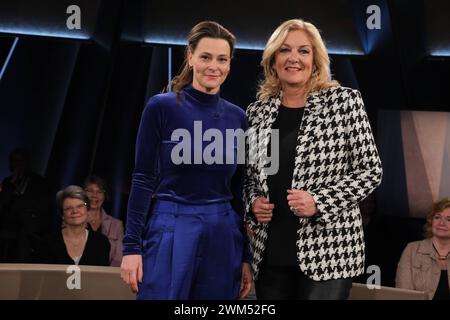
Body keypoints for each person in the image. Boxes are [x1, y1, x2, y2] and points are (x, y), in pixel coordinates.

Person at [244, 19, 383, 300]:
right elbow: (250, 179)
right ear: (273, 61)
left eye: (303, 51)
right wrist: (252, 204)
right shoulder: (256, 113)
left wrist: (319, 202)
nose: (293, 58)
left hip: (329, 253)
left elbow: (370, 171)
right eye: (285, 50)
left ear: (315, 60)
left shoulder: (344, 103)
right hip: (270, 253)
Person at [121, 21, 252, 300]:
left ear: (229, 65)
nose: (213, 66)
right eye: (205, 57)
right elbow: (142, 178)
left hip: (222, 229)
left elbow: (240, 188)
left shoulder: (238, 117)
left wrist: (245, 256)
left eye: (222, 59)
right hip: (171, 222)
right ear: (190, 57)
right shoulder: (162, 106)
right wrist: (131, 247)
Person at [0, 148, 52, 262]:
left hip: (29, 224)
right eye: (15, 161)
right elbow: (3, 203)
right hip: (9, 222)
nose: (18, 165)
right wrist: (12, 185)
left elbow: (43, 207)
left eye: (21, 161)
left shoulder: (39, 182)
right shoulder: (8, 182)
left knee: (24, 235)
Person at [396, 197, 450, 300]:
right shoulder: (412, 250)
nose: (441, 223)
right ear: (431, 221)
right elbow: (403, 295)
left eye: (449, 219)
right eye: (437, 217)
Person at [43, 185, 110, 266]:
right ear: (62, 215)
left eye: (80, 206)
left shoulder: (101, 243)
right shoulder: (48, 243)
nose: (75, 211)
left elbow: (103, 277)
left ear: (87, 209)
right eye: (68, 208)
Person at [84, 175, 124, 266]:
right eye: (90, 191)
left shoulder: (117, 225)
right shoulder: (73, 220)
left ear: (105, 196)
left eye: (99, 191)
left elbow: (118, 259)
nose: (94, 195)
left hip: (105, 276)